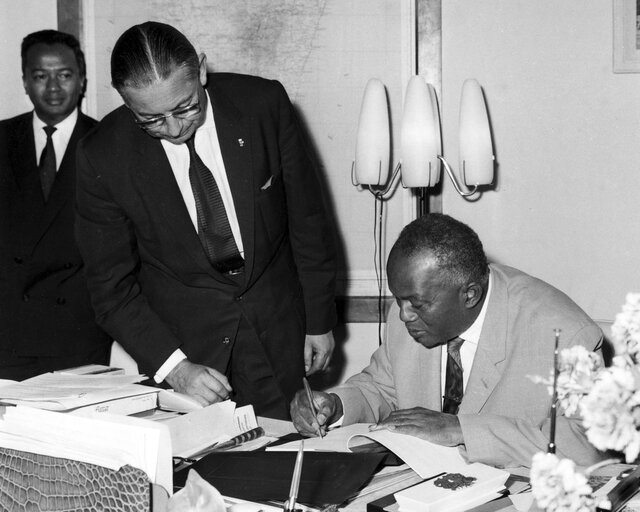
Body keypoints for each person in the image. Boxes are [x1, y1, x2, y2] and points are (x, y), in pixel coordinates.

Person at [75, 21, 338, 419]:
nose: (175, 128)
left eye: (185, 107)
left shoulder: (262, 104)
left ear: (199, 70)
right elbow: (111, 290)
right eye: (152, 120)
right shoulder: (103, 155)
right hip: (188, 353)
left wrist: (319, 320)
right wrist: (175, 368)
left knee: (287, 465)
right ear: (126, 102)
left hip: (278, 335)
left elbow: (308, 220)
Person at [290, 214, 606, 469]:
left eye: (416, 304)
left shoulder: (565, 335)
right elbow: (383, 387)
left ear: (470, 294)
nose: (403, 315)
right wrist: (336, 405)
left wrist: (458, 429)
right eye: (399, 301)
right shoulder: (415, 305)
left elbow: (586, 443)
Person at [0, 30, 110, 380]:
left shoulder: (107, 143)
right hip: (9, 333)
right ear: (25, 82)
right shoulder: (2, 139)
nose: (52, 88)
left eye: (64, 75)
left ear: (82, 80)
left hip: (78, 336)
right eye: (40, 76)